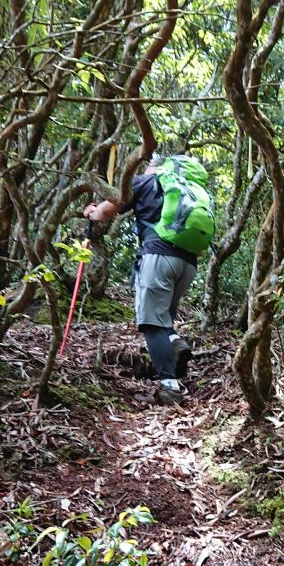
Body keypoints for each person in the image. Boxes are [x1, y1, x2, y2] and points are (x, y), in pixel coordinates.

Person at [84, 158, 196, 406]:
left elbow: (105, 211)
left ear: (150, 167)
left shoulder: (144, 182)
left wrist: (92, 212)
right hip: (188, 264)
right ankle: (174, 341)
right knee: (163, 318)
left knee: (152, 324)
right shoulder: (186, 190)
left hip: (158, 256)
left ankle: (170, 387)